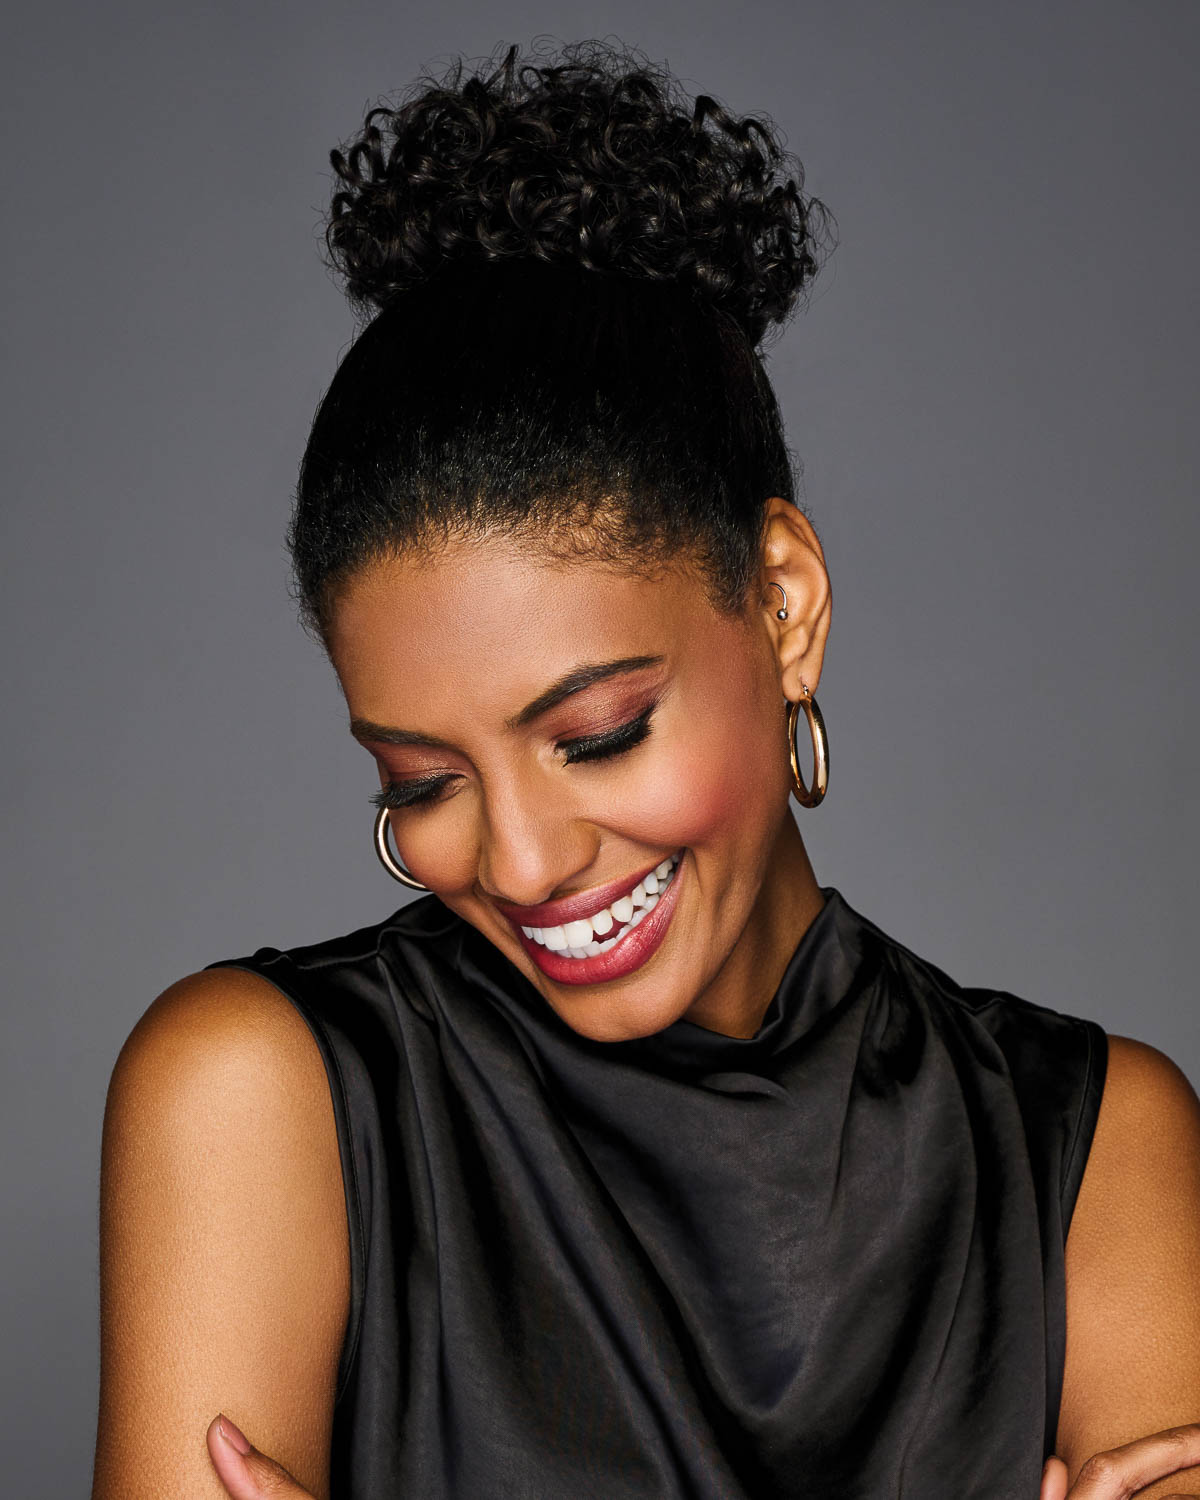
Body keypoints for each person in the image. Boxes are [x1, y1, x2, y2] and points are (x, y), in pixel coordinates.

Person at [90, 40, 1200, 1500]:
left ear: (783, 605)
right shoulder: (252, 1093)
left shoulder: (1093, 1149)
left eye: (598, 734)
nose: (522, 862)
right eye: (422, 781)